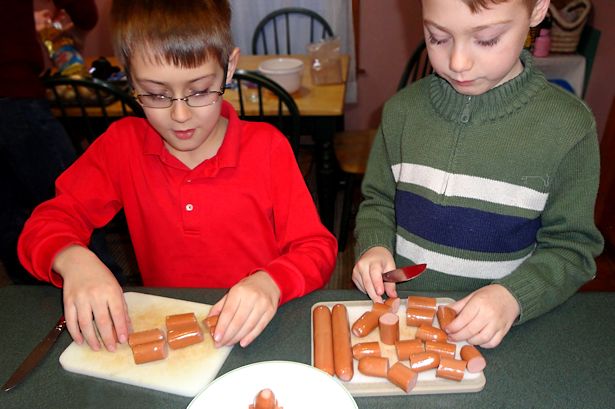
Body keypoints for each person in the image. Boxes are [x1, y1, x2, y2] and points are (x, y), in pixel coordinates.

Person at [18, 0, 337, 352]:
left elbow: (317, 248)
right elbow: (43, 226)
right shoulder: (122, 147)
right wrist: (74, 259)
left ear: (229, 67)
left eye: (200, 90)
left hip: (263, 330)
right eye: (155, 94)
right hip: (173, 337)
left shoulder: (267, 149)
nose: (180, 115)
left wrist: (271, 283)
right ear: (128, 76)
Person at [352, 0, 603, 348]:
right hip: (401, 323)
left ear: (537, 9)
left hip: (500, 335)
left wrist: (512, 297)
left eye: (486, 39)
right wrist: (375, 246)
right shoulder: (400, 113)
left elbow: (572, 250)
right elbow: (378, 201)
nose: (458, 63)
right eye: (437, 37)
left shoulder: (568, 128)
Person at [0, 0, 99, 284]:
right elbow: (85, 13)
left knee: (8, 215)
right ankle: (105, 293)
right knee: (74, 203)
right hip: (15, 95)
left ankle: (33, 300)